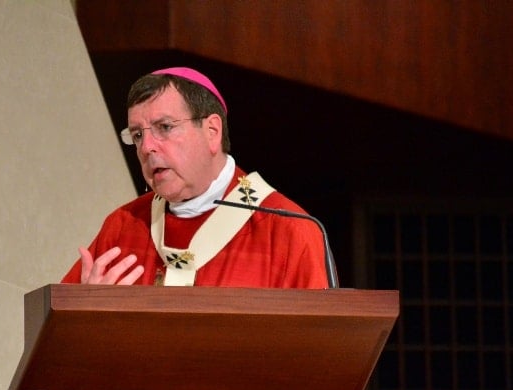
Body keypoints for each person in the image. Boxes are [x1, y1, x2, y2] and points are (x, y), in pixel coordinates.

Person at [61, 67, 334, 288]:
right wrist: (85, 319)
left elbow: (319, 349)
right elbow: (56, 345)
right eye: (137, 134)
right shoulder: (123, 228)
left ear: (212, 131)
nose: (146, 147)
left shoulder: (287, 231)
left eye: (164, 127)